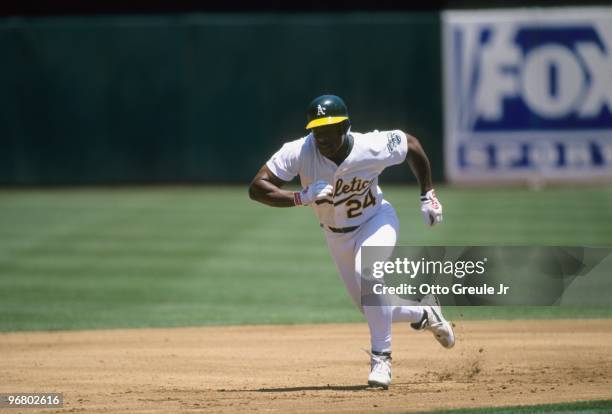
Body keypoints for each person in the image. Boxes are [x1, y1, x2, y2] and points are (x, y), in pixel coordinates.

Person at [248, 94, 455, 389]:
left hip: (376, 220)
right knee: (371, 308)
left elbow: (412, 145)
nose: (323, 137)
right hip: (336, 235)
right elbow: (257, 188)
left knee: (368, 274)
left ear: (345, 126)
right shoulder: (299, 152)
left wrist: (427, 194)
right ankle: (425, 312)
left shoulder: (370, 146)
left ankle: (381, 360)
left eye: (329, 130)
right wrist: (300, 197)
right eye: (317, 131)